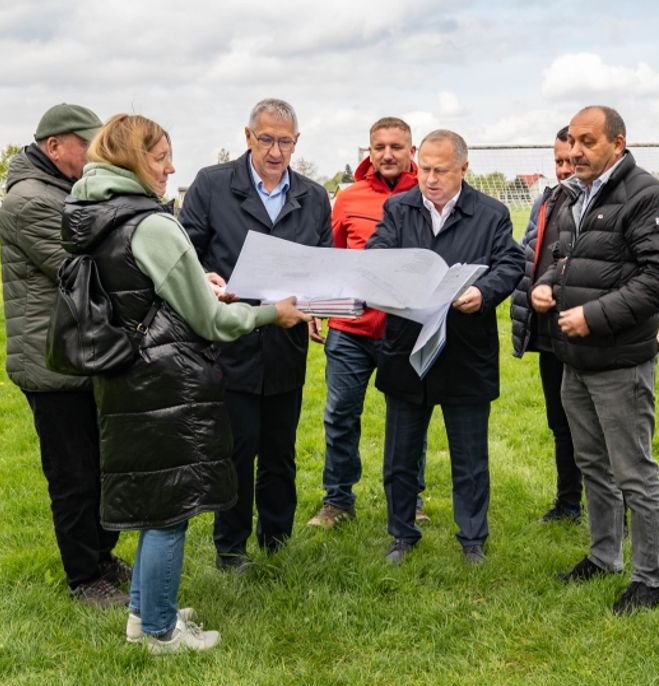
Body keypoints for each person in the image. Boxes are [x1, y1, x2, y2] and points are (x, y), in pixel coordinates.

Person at [62, 113, 310, 653]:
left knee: (154, 503)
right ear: (131, 159)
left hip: (127, 379)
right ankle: (159, 632)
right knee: (169, 512)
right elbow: (213, 323)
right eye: (159, 157)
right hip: (165, 381)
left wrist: (198, 281)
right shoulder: (152, 223)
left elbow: (141, 290)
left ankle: (144, 612)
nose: (171, 167)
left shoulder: (95, 210)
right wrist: (273, 314)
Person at [530, 105, 659, 614]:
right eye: (572, 141)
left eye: (588, 142)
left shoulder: (646, 195)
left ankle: (650, 578)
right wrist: (548, 287)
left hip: (620, 359)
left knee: (633, 469)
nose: (575, 152)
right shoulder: (577, 193)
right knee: (591, 463)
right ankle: (603, 554)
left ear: (618, 143)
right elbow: (566, 259)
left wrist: (594, 315)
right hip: (576, 359)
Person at [179, 99, 332, 572]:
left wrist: (316, 307)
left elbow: (321, 264)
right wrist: (207, 278)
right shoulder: (211, 185)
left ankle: (277, 539)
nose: (274, 150)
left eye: (284, 141)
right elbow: (185, 249)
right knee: (237, 447)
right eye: (265, 139)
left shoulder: (312, 195)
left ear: (296, 144)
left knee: (280, 449)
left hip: (286, 341)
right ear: (247, 137)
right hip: (230, 340)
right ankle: (231, 547)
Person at [367, 129, 524, 565]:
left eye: (441, 170)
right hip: (407, 349)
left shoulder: (491, 213)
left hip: (464, 351)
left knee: (470, 457)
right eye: (425, 169)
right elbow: (378, 256)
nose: (430, 179)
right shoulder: (398, 208)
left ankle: (472, 538)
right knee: (400, 457)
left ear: (463, 169)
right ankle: (401, 534)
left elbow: (510, 262)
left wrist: (485, 292)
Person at [0, 102, 132, 608]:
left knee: (99, 466)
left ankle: (100, 556)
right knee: (74, 475)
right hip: (53, 364)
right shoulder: (29, 201)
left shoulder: (63, 191)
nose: (96, 152)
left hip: (81, 355)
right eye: (87, 143)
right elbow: (83, 269)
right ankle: (83, 578)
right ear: (54, 146)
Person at [307, 116, 430, 530]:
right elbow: (332, 259)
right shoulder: (349, 198)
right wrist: (317, 307)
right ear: (370, 152)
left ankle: (409, 500)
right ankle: (337, 500)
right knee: (340, 414)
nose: (388, 154)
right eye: (379, 147)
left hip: (405, 330)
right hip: (352, 331)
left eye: (397, 146)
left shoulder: (427, 191)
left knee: (410, 417)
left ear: (411, 151)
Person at [508, 125, 585, 523]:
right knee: (560, 422)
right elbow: (528, 254)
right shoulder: (547, 199)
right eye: (557, 161)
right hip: (548, 331)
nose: (563, 169)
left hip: (584, 330)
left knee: (595, 428)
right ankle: (568, 502)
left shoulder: (596, 203)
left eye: (570, 161)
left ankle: (618, 511)